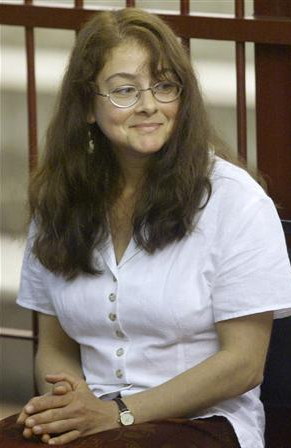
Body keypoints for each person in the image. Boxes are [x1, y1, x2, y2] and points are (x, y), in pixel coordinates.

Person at [16, 8, 291, 448]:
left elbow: (244, 364)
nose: (149, 105)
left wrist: (116, 414)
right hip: (96, 416)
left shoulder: (235, 200)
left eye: (164, 86)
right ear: (88, 105)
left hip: (203, 423)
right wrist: (67, 407)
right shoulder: (58, 199)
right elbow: (56, 347)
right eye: (125, 90)